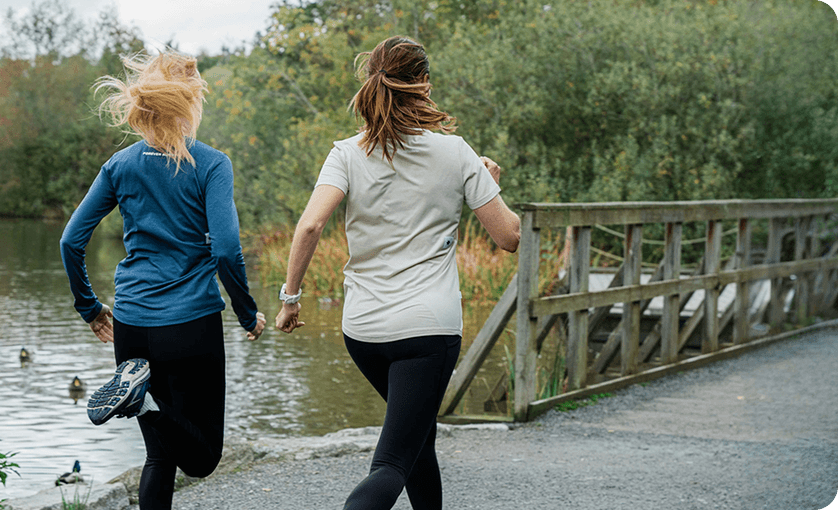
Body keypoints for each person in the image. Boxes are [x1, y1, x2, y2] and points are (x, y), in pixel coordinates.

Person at [273, 36, 521, 510]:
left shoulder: (346, 152)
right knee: (392, 462)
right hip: (428, 329)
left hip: (364, 331)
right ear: (424, 85)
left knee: (416, 439)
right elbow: (508, 236)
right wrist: (485, 178)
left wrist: (291, 298)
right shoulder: (457, 152)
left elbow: (310, 225)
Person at [59, 51, 265, 510]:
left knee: (160, 455)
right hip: (191, 323)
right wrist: (247, 313)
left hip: (132, 326)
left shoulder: (121, 164)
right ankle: (143, 402)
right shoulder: (211, 164)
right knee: (204, 457)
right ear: (191, 101)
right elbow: (228, 250)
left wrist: (90, 308)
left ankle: (138, 397)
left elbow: (70, 242)